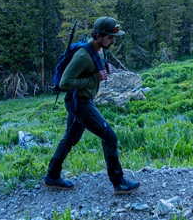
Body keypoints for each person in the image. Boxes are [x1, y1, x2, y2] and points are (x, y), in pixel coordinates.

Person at [43, 17, 141, 194]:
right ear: (97, 36)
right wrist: (93, 78)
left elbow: (96, 66)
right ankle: (118, 183)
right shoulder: (82, 56)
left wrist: (105, 67)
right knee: (109, 136)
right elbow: (65, 83)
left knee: (70, 138)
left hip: (82, 101)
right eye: (110, 37)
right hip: (79, 103)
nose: (113, 41)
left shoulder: (100, 50)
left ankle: (52, 177)